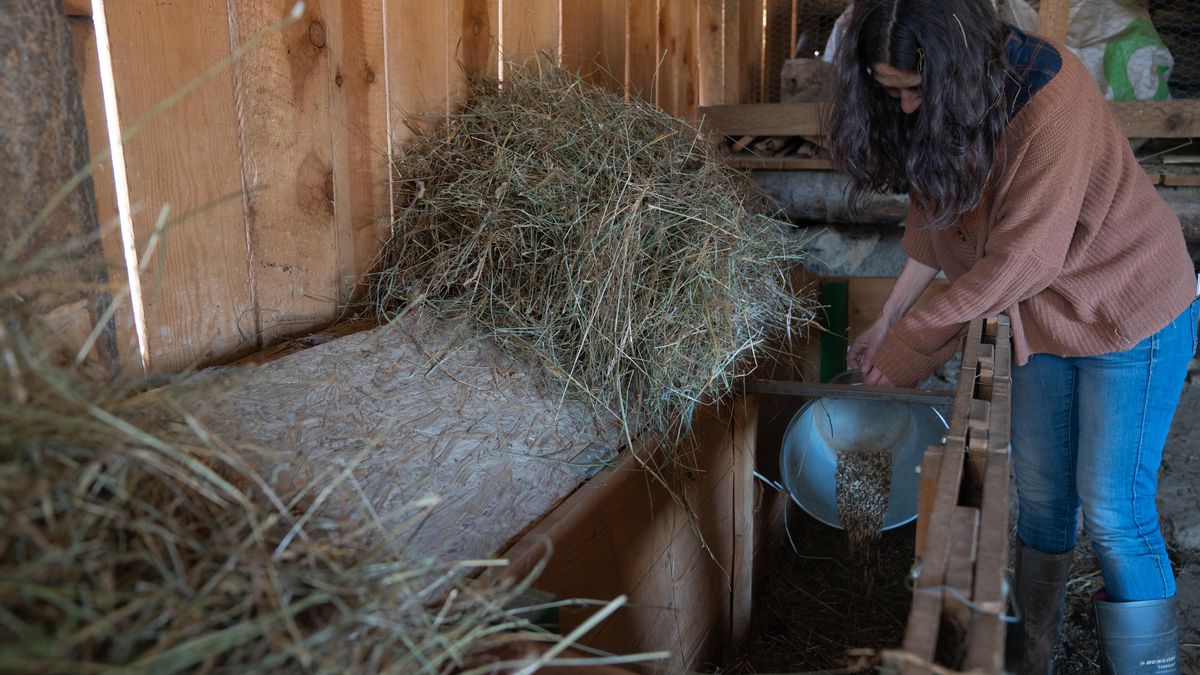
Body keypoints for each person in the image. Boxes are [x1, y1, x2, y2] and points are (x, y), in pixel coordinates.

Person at [827, 1, 1198, 673]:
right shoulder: (948, 106)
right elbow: (939, 205)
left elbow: (1022, 260)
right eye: (891, 93)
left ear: (956, 67)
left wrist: (913, 343)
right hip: (1039, 314)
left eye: (915, 90)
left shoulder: (1050, 103)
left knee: (1113, 508)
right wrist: (888, 315)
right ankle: (1032, 657)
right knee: (1045, 496)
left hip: (1126, 307)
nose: (907, 108)